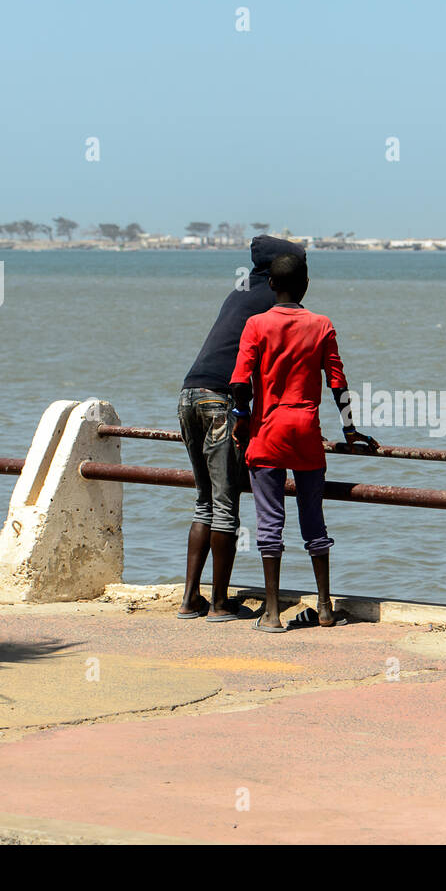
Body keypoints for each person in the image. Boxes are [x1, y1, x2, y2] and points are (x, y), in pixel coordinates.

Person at [230, 252, 378, 632]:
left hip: (268, 432)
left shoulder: (256, 324)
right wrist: (350, 431)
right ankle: (326, 607)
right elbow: (337, 382)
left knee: (269, 523)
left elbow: (238, 384)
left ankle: (273, 613)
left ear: (271, 286)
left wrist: (241, 421)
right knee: (314, 521)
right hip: (307, 431)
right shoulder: (321, 324)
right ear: (306, 285)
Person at [177, 235, 306, 620]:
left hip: (189, 394)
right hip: (220, 400)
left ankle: (190, 600)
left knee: (203, 502)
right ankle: (218, 604)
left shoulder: (239, 294)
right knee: (224, 504)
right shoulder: (275, 300)